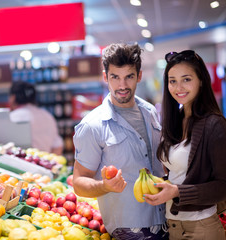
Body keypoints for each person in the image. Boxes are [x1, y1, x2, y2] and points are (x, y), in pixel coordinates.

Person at [72, 43, 168, 239]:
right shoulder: (92, 125)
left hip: (167, 217)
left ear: (139, 76)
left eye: (129, 77)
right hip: (129, 229)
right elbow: (79, 182)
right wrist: (104, 187)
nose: (122, 86)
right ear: (105, 77)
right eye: (115, 77)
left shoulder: (150, 111)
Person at [144, 50, 226, 239]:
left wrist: (177, 191)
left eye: (186, 79)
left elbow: (223, 186)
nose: (178, 87)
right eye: (172, 81)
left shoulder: (215, 124)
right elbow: (180, 173)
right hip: (173, 225)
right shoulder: (175, 121)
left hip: (202, 227)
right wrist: (160, 183)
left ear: (201, 81)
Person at [8, 81, 64, 155]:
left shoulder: (11, 118)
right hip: (44, 163)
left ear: (13, 97)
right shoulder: (47, 116)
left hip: (19, 164)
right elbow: (57, 146)